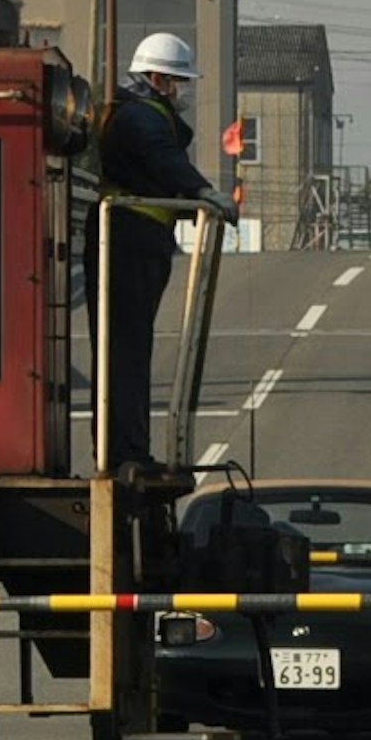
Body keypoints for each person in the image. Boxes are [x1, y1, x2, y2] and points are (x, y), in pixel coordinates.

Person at [95, 31, 232, 474]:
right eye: (176, 81)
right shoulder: (144, 117)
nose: (181, 91)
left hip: (133, 241)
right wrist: (202, 191)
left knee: (127, 351)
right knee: (127, 353)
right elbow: (162, 159)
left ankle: (125, 449)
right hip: (130, 242)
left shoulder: (134, 113)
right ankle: (125, 452)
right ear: (156, 77)